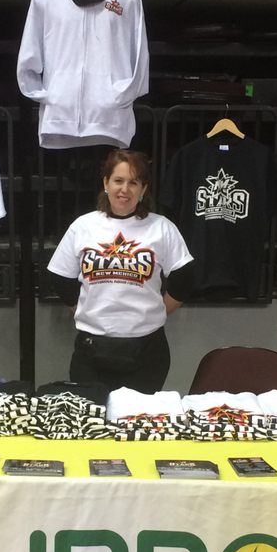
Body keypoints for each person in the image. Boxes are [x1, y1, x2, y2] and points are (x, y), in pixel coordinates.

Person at [47, 149, 195, 394]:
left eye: (133, 182)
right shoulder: (83, 226)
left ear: (143, 189)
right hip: (91, 349)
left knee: (140, 417)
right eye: (118, 180)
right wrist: (83, 309)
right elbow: (60, 276)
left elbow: (185, 277)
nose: (124, 189)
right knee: (94, 415)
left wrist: (159, 310)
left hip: (147, 351)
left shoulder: (162, 228)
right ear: (106, 183)